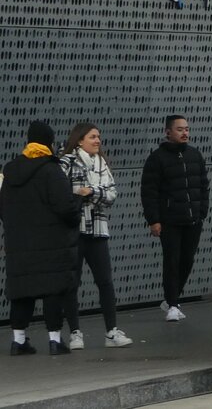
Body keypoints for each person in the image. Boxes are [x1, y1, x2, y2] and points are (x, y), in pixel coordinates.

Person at [0, 121, 80, 355]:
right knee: (52, 289)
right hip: (51, 242)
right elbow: (65, 207)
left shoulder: (10, 170)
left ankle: (18, 341)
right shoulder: (51, 170)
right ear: (50, 143)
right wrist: (74, 217)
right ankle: (55, 340)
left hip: (19, 243)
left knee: (21, 290)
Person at [59, 122, 133, 349]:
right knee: (72, 282)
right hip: (73, 231)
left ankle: (111, 331)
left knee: (105, 282)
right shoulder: (66, 162)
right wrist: (87, 194)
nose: (97, 141)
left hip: (98, 230)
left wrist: (90, 192)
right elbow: (64, 193)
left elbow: (111, 194)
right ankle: (75, 333)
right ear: (80, 140)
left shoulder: (101, 162)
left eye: (99, 136)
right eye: (93, 137)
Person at [140, 115, 209, 322]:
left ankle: (172, 297)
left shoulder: (195, 155)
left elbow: (203, 186)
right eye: (180, 129)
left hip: (193, 219)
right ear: (168, 132)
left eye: (186, 129)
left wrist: (201, 211)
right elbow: (149, 192)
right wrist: (154, 220)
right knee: (172, 261)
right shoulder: (157, 158)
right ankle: (172, 304)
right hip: (170, 220)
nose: (185, 133)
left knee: (187, 260)